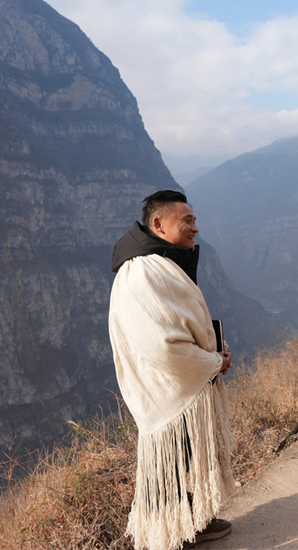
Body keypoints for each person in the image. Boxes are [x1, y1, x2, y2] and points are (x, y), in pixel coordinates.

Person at [108, 190, 234, 550]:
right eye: (188, 221)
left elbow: (177, 324)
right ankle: (168, 537)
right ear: (159, 224)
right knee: (170, 468)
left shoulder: (157, 262)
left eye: (194, 220)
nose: (196, 228)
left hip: (181, 383)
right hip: (167, 388)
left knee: (187, 460)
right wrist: (213, 362)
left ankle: (193, 521)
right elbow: (161, 346)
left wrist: (212, 351)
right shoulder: (141, 272)